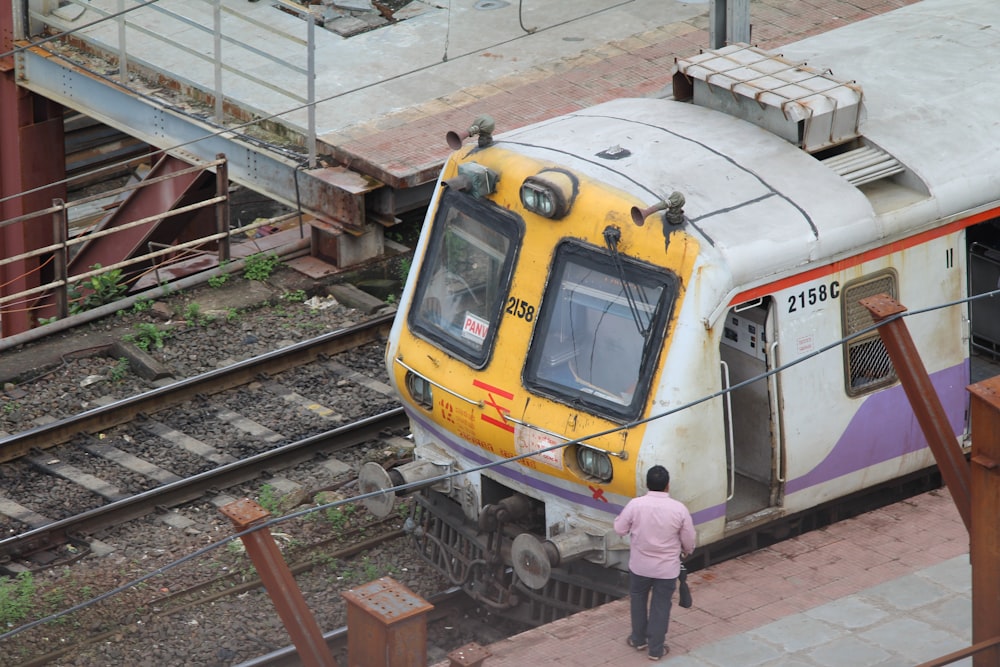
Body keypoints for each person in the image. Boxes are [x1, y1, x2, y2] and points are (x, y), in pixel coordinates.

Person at [613, 465, 696, 661]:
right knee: (661, 606)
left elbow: (619, 529)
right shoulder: (679, 509)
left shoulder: (635, 505)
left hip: (640, 566)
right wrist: (686, 550)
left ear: (647, 484)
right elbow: (689, 540)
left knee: (638, 600)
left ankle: (638, 639)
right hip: (667, 569)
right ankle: (656, 650)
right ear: (668, 485)